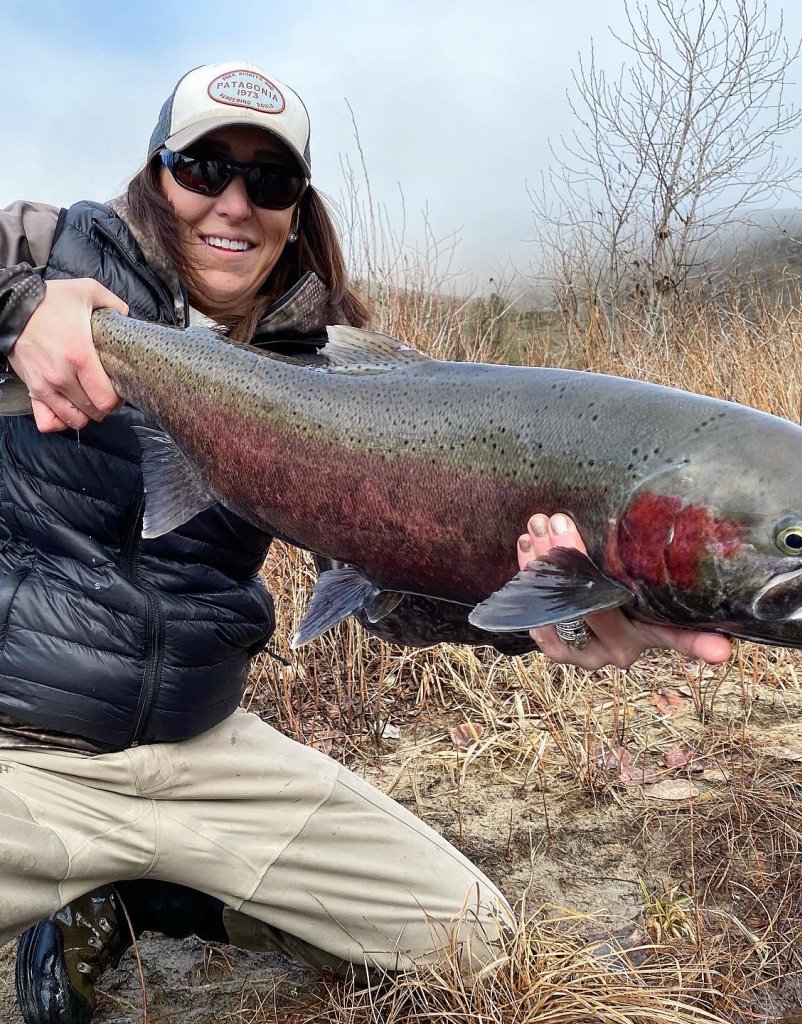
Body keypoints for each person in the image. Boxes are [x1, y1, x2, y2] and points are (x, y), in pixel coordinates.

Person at [0, 61, 732, 1024]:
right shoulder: (46, 251)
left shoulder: (335, 375)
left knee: (477, 947)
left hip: (204, 751)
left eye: (270, 182)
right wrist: (21, 312)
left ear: (297, 208)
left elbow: (387, 596)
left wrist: (535, 616)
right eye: (203, 166)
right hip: (24, 750)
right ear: (155, 174)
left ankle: (138, 898)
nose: (234, 201)